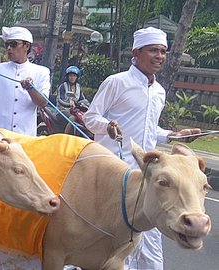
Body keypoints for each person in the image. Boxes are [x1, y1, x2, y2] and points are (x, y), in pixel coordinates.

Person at [83, 27, 201, 270]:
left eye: (163, 52)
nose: (160, 56)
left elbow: (150, 130)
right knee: (104, 239)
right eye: (154, 50)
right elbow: (91, 118)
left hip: (148, 177)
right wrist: (108, 126)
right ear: (136, 53)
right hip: (117, 175)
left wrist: (173, 135)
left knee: (151, 238)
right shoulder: (116, 82)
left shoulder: (159, 91)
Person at [57, 65, 86, 134]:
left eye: (74, 76)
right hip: (62, 109)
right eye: (70, 76)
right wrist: (68, 104)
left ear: (77, 77)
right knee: (73, 118)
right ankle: (65, 137)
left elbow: (82, 98)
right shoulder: (63, 86)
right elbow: (59, 99)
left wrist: (87, 104)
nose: (72, 77)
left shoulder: (79, 87)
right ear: (67, 77)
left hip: (75, 110)